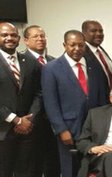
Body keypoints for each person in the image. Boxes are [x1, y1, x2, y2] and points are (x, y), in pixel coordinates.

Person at [42, 30, 109, 177]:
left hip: (94, 127)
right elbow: (50, 103)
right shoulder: (51, 68)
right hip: (69, 128)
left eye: (81, 45)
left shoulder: (94, 65)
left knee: (93, 167)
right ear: (64, 45)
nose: (77, 49)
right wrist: (61, 130)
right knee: (70, 167)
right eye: (72, 45)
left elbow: (102, 95)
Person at [0, 22, 42, 177]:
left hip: (27, 130)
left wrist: (30, 118)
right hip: (3, 130)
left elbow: (39, 92)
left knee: (26, 172)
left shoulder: (30, 61)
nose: (9, 38)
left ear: (19, 39)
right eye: (4, 35)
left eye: (13, 35)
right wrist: (16, 120)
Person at [21, 24, 60, 177]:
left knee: (53, 162)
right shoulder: (21, 60)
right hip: (32, 120)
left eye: (42, 36)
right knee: (33, 164)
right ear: (25, 40)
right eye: (35, 36)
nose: (40, 39)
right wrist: (31, 117)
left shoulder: (54, 61)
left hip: (54, 121)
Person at [82, 20, 112, 89]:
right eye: (93, 31)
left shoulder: (101, 50)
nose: (98, 34)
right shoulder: (81, 53)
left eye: (101, 31)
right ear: (83, 34)